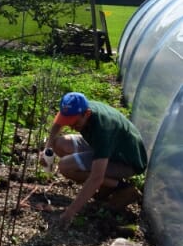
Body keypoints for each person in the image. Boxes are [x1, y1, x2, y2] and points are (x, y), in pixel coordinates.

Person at [41, 92, 148, 228]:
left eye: (74, 122)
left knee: (65, 166)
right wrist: (47, 150)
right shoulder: (79, 107)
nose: (71, 126)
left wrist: (70, 212)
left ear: (87, 114)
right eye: (68, 121)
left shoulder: (103, 129)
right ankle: (107, 185)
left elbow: (96, 177)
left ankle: (124, 188)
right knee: (59, 144)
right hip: (104, 147)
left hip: (126, 161)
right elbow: (58, 123)